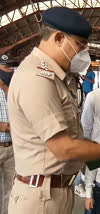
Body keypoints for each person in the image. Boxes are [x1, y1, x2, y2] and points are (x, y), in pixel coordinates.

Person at [7, 7, 100, 214]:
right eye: (80, 45)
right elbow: (64, 148)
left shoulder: (56, 79)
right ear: (59, 38)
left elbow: (71, 137)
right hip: (40, 199)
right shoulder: (36, 79)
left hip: (55, 192)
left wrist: (98, 156)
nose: (83, 54)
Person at [0, 54, 17, 214]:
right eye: (7, 67)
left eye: (12, 67)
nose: (11, 70)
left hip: (12, 149)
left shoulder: (14, 91)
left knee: (11, 191)